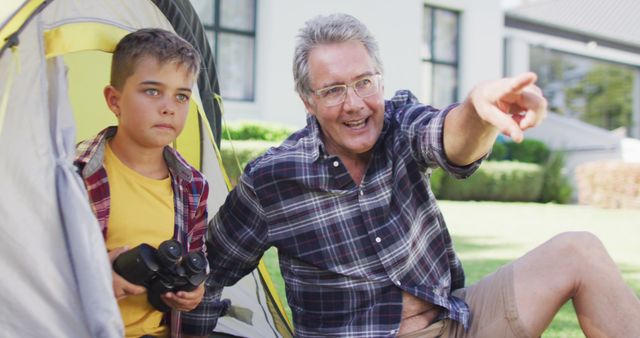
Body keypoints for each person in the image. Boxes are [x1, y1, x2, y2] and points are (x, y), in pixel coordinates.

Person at [206, 13, 640, 337]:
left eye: (364, 82)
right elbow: (209, 272)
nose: (355, 103)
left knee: (579, 250)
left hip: (454, 324)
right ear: (307, 100)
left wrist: (478, 109)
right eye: (334, 90)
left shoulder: (400, 124)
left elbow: (448, 137)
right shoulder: (273, 179)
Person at [75, 28, 225, 338]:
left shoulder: (192, 185)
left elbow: (196, 258)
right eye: (153, 91)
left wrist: (193, 291)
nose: (169, 107)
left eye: (181, 96)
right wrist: (96, 275)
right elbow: (37, 264)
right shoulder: (76, 174)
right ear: (114, 100)